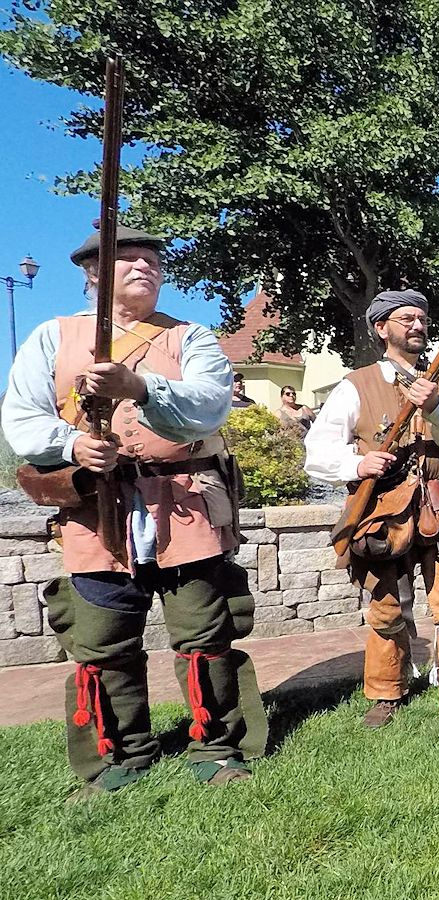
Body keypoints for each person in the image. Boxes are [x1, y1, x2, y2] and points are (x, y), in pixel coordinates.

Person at [1, 225, 266, 798]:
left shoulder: (190, 337)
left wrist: (141, 387)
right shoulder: (53, 337)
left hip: (186, 504)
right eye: (128, 261)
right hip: (97, 509)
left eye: (151, 259)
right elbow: (20, 416)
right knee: (102, 640)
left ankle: (217, 747)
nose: (144, 267)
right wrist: (72, 446)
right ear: (93, 275)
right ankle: (121, 752)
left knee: (205, 633)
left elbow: (209, 406)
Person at [304, 289, 439, 734]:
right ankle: (384, 693)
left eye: (421, 317)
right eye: (405, 318)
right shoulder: (356, 384)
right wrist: (356, 464)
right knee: (385, 607)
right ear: (381, 328)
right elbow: (316, 451)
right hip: (382, 508)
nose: (417, 325)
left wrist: (434, 407)